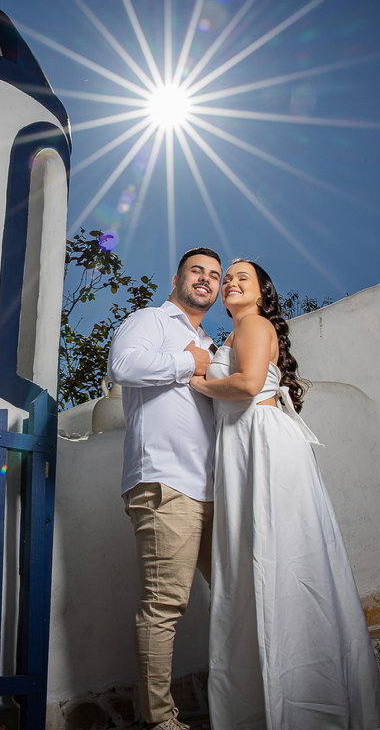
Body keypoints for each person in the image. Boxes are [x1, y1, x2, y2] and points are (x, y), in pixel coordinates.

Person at [189, 259, 380, 730]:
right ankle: (272, 703)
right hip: (243, 445)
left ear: (262, 293)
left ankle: (301, 704)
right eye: (227, 278)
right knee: (258, 561)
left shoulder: (253, 324)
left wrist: (199, 381)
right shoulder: (234, 334)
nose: (231, 283)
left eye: (242, 277)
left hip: (261, 443)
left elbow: (248, 384)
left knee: (278, 557)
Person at [107, 247, 223, 730]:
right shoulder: (151, 320)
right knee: (165, 606)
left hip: (214, 490)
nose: (206, 279)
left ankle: (248, 701)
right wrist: (186, 362)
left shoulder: (211, 343)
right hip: (164, 482)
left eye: (214, 275)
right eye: (197, 270)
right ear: (176, 279)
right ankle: (160, 722)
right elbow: (123, 365)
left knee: (238, 595)